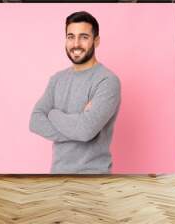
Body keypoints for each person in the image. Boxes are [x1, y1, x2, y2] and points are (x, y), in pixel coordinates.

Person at [29, 11, 121, 174]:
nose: (76, 43)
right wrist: (79, 127)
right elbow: (35, 122)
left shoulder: (107, 81)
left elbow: (85, 131)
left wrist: (52, 114)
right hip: (56, 175)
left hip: (93, 177)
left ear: (96, 41)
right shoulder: (57, 79)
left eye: (84, 37)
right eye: (71, 36)